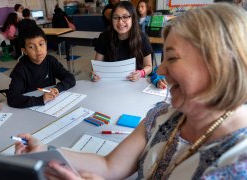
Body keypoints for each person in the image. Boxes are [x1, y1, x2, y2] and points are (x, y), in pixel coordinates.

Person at [14, 3, 247, 179]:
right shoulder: (163, 115)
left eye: (173, 58)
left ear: (219, 66)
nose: (161, 69)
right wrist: (46, 150)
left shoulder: (237, 164)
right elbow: (109, 165)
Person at [6, 28, 76, 108]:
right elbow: (12, 98)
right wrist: (41, 100)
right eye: (31, 47)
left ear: (46, 44)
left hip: (51, 104)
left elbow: (70, 78)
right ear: (24, 51)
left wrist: (57, 89)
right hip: (31, 107)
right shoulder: (20, 69)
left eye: (41, 44)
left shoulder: (51, 61)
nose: (38, 50)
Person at [92, 1, 152, 82]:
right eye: (116, 17)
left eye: (125, 17)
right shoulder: (104, 37)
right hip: (109, 83)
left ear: (133, 18)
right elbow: (96, 66)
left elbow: (149, 66)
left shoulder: (142, 38)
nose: (120, 22)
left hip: (134, 84)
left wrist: (141, 73)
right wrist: (93, 74)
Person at [52, 4, 74, 71]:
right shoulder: (64, 14)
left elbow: (53, 26)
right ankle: (69, 65)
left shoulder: (55, 16)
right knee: (67, 46)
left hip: (58, 34)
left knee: (59, 43)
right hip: (67, 32)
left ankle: (59, 51)